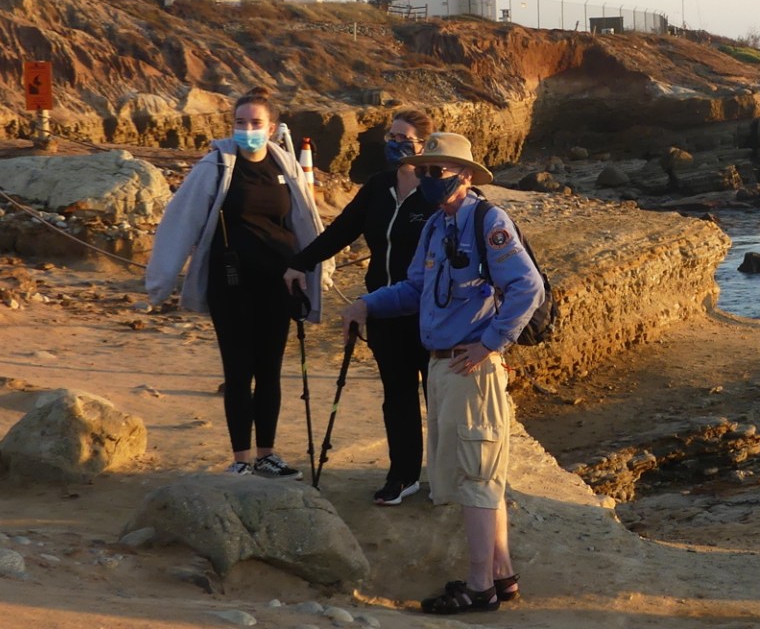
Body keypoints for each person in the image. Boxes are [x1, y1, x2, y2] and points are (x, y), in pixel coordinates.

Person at [341, 132, 543, 614]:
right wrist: (366, 303)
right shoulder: (436, 226)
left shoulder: (488, 220)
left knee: (477, 476)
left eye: (439, 171)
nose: (430, 178)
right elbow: (414, 289)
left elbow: (526, 286)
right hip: (445, 367)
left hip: (470, 367)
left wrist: (489, 343)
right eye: (426, 171)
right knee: (476, 476)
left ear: (465, 175)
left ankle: (479, 587)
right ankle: (500, 574)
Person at [146, 88, 328, 479]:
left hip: (280, 285)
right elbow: (180, 222)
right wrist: (160, 283)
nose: (248, 130)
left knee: (270, 371)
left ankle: (267, 454)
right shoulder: (215, 166)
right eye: (240, 123)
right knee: (238, 371)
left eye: (256, 123)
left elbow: (306, 221)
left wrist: (317, 271)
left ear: (273, 128)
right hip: (231, 285)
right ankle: (241, 458)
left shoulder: (285, 165)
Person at [283, 110, 439, 506]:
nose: (395, 142)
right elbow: (341, 230)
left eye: (404, 137)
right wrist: (301, 262)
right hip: (383, 309)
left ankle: (446, 476)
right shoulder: (379, 185)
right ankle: (402, 476)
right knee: (398, 395)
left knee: (440, 398)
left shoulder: (438, 190)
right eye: (391, 135)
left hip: (430, 312)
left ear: (424, 146)